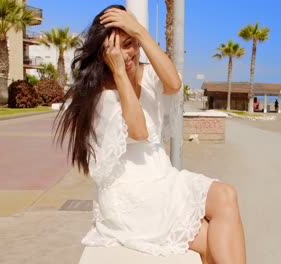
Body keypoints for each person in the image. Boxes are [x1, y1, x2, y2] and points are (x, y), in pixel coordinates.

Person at [54, 5, 246, 264]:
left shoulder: (148, 72)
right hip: (131, 195)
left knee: (226, 195)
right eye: (117, 47)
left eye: (130, 43)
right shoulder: (100, 94)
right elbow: (139, 131)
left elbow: (174, 83)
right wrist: (120, 73)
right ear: (103, 53)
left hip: (163, 179)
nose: (127, 53)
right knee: (213, 240)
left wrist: (140, 32)